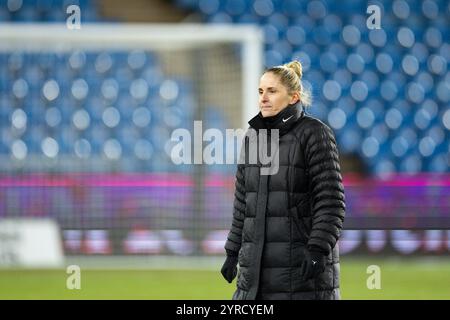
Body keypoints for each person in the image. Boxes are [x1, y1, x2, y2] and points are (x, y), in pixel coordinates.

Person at [220, 60, 345, 300]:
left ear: (294, 97)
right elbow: (243, 204)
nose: (263, 98)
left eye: (272, 91)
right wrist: (233, 251)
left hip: (301, 277)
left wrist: (318, 248)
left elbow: (331, 201)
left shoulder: (315, 133)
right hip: (253, 278)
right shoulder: (252, 137)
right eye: (260, 91)